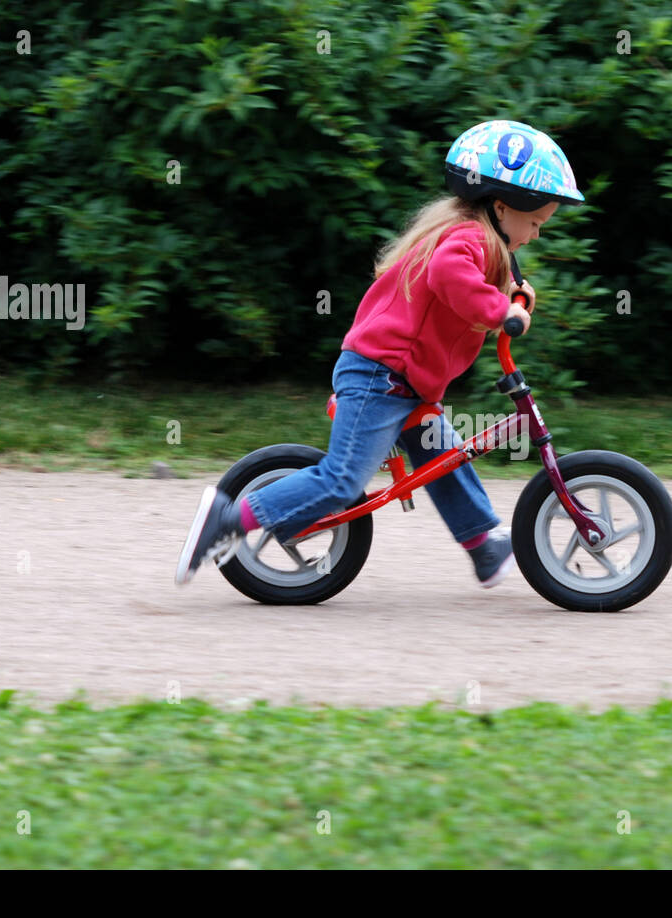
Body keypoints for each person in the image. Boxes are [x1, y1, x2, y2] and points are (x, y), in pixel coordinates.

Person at [176, 119, 584, 588]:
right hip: (380, 377)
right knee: (342, 480)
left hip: (406, 382)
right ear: (500, 205)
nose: (536, 235)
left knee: (444, 456)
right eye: (535, 222)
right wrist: (503, 311)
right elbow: (451, 275)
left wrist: (513, 292)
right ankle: (226, 520)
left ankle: (484, 546)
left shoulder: (476, 239)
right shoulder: (466, 239)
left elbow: (472, 280)